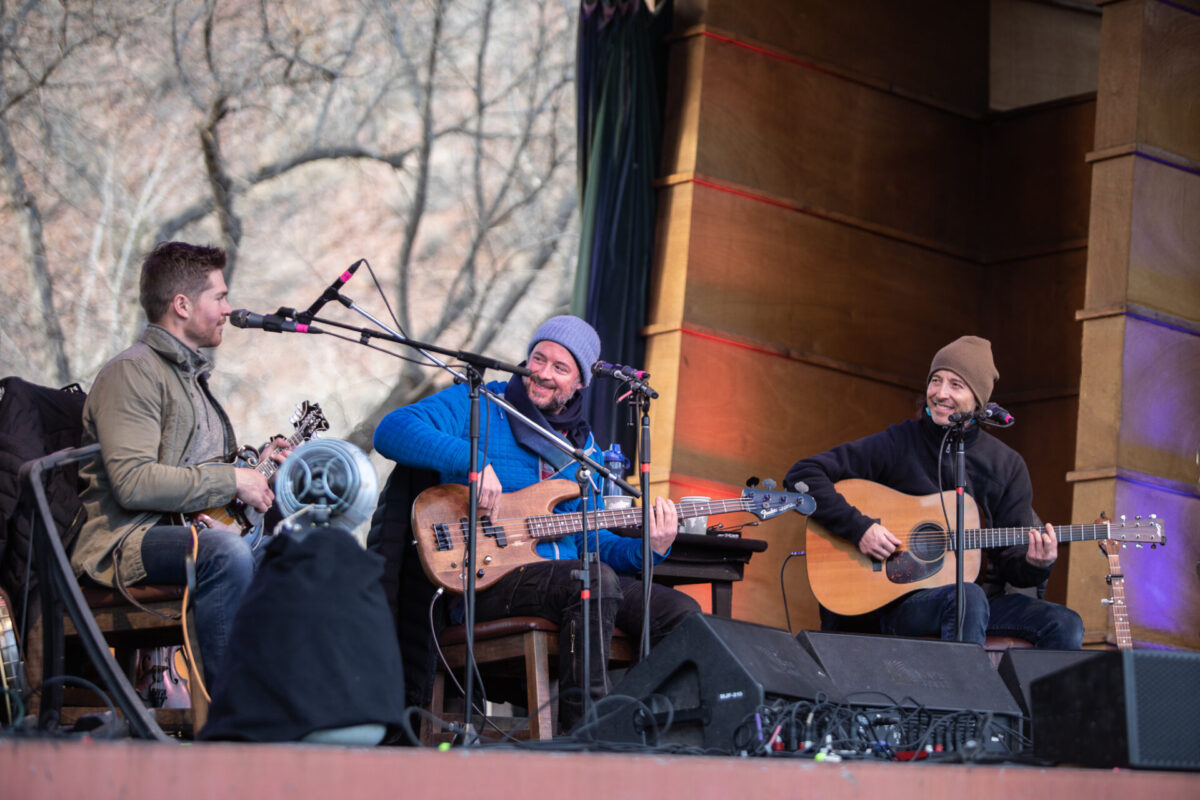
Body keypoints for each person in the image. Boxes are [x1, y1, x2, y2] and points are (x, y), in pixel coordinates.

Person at [373, 315, 700, 731]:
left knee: (681, 614)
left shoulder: (587, 453)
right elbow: (392, 429)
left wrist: (649, 548)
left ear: (580, 382)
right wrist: (469, 460)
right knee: (592, 581)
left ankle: (622, 724)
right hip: (486, 579)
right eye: (537, 359)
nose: (542, 374)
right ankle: (583, 738)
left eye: (559, 368)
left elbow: (592, 542)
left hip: (567, 579)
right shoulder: (480, 404)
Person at [72, 241, 289, 683]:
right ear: (183, 304)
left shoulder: (191, 380)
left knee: (304, 553)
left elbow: (200, 472)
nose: (229, 309)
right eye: (220, 297)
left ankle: (294, 708)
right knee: (225, 553)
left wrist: (258, 467)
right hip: (127, 541)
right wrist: (232, 480)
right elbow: (133, 483)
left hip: (185, 530)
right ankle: (233, 721)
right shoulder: (131, 372)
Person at [786, 335, 1083, 649]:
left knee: (1064, 624)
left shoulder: (1006, 466)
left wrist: (1038, 564)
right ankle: (964, 697)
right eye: (936, 381)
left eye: (956, 385)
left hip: (974, 600)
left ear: (978, 400)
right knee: (967, 597)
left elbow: (1014, 566)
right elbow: (802, 475)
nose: (941, 394)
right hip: (898, 604)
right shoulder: (899, 443)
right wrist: (860, 528)